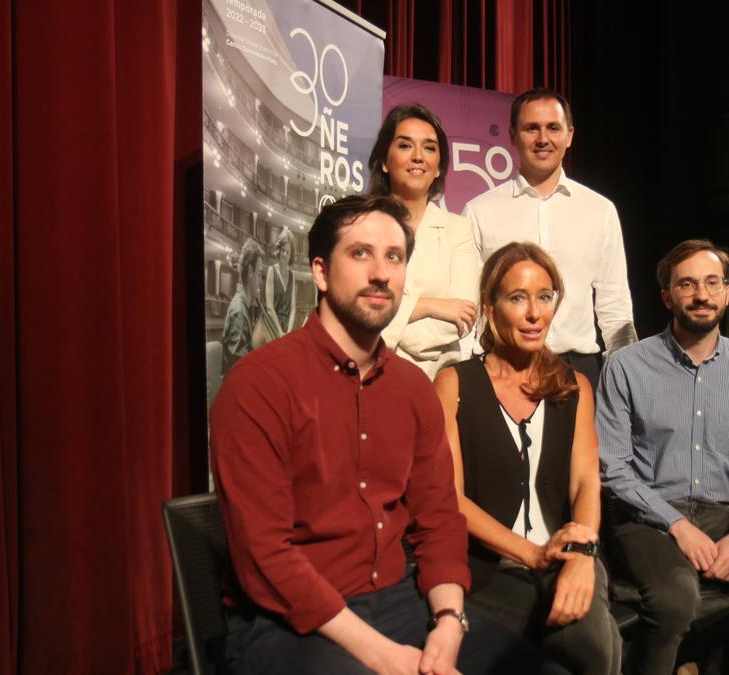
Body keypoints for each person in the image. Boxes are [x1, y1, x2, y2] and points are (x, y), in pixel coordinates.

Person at [210, 195, 566, 675]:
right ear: (320, 272)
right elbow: (265, 557)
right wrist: (383, 657)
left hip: (401, 603)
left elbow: (439, 520)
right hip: (287, 621)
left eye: (394, 257)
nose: (381, 273)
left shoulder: (412, 388)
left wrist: (447, 622)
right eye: (360, 254)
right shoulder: (257, 385)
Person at [597, 239, 729, 675]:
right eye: (688, 284)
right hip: (648, 518)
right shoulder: (626, 367)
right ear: (667, 297)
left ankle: (711, 666)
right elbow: (613, 469)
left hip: (723, 514)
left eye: (712, 283)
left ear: (727, 293)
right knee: (677, 599)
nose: (701, 294)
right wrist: (676, 525)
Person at [434, 242, 622, 675]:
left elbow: (586, 481)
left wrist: (580, 552)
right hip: (489, 567)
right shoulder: (454, 383)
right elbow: (451, 501)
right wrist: (533, 555)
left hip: (567, 555)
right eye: (518, 298)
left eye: (545, 296)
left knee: (594, 646)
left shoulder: (575, 386)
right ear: (491, 305)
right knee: (595, 648)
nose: (535, 313)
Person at [463, 88, 635, 387]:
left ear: (569, 135)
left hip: (577, 370)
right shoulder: (479, 211)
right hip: (501, 366)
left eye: (553, 128)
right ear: (513, 136)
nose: (543, 139)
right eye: (532, 128)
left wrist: (629, 379)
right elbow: (471, 304)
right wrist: (465, 374)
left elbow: (615, 306)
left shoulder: (600, 210)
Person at [370, 104, 481, 379]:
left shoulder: (459, 229)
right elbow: (353, 310)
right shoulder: (360, 226)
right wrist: (426, 305)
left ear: (439, 168)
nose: (418, 157)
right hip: (369, 372)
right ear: (385, 161)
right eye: (405, 146)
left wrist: (391, 320)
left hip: (438, 379)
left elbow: (463, 317)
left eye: (429, 148)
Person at [221, 238, 265, 372]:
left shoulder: (246, 305)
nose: (260, 281)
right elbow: (241, 368)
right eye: (259, 274)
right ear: (250, 272)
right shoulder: (239, 313)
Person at [259, 226, 298, 343]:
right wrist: (280, 332)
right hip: (273, 327)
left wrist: (289, 332)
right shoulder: (272, 271)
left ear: (291, 254)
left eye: (288, 252)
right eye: (283, 250)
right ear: (279, 250)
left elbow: (293, 309)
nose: (284, 254)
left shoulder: (292, 276)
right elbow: (270, 307)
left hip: (287, 329)